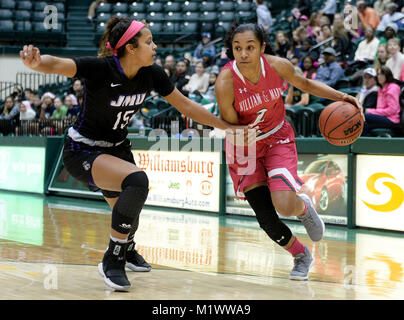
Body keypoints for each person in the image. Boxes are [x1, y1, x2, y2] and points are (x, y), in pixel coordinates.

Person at [20, 17, 249, 292]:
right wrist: (35, 62)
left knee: (128, 214)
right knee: (137, 182)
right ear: (130, 48)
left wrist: (226, 126)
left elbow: (186, 106)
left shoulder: (151, 73)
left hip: (116, 147)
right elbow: (58, 64)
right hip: (84, 148)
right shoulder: (101, 69)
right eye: (149, 41)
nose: (155, 46)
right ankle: (112, 259)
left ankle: (127, 249)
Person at [215, 23, 363, 281]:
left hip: (277, 138)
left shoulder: (277, 65)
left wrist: (341, 97)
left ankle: (303, 208)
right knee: (266, 218)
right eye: (237, 48)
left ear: (262, 47)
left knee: (284, 204)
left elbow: (305, 83)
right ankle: (301, 255)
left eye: (250, 47)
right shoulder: (225, 82)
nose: (244, 54)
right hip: (244, 147)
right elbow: (230, 126)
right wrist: (238, 135)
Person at [363, 66, 401, 135]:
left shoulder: (393, 88)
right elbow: (380, 109)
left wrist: (370, 111)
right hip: (383, 117)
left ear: (387, 75)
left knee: (364, 116)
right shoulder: (381, 89)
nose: (379, 76)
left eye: (382, 74)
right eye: (378, 74)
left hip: (392, 120)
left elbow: (392, 110)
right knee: (364, 123)